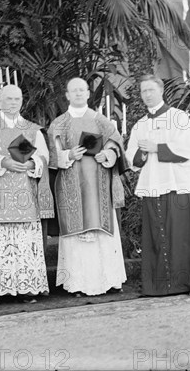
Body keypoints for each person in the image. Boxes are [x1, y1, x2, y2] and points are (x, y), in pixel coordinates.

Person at [125, 74, 190, 296]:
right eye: (143, 91)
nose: (147, 95)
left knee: (182, 236)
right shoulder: (140, 125)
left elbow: (188, 152)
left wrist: (157, 148)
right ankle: (159, 286)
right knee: (157, 236)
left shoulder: (178, 118)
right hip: (153, 185)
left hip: (177, 185)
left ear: (161, 90)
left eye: (151, 90)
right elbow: (131, 159)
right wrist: (142, 154)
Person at [0, 85, 54, 307]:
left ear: (22, 101)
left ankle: (25, 288)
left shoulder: (32, 129)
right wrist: (3, 162)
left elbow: (44, 157)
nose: (13, 102)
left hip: (24, 192)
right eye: (8, 99)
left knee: (23, 244)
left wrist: (32, 163)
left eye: (17, 98)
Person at [47, 77, 128, 296]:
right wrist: (68, 154)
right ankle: (78, 284)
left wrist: (108, 154)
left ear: (87, 93)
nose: (79, 94)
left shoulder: (100, 120)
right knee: (76, 233)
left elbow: (116, 144)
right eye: (74, 91)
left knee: (103, 232)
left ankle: (110, 281)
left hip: (98, 186)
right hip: (71, 185)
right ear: (67, 95)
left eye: (82, 90)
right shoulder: (59, 124)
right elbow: (52, 157)